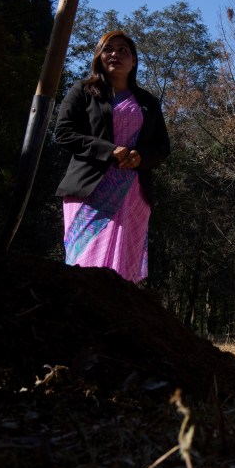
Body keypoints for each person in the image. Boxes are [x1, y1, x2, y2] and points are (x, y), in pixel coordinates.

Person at [54, 30, 170, 284]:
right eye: (108, 49)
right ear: (99, 56)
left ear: (134, 61)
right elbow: (63, 132)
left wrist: (141, 156)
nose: (115, 54)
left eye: (123, 50)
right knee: (83, 267)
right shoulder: (84, 91)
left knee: (121, 280)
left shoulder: (148, 102)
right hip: (90, 192)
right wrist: (109, 151)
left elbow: (162, 147)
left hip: (133, 195)